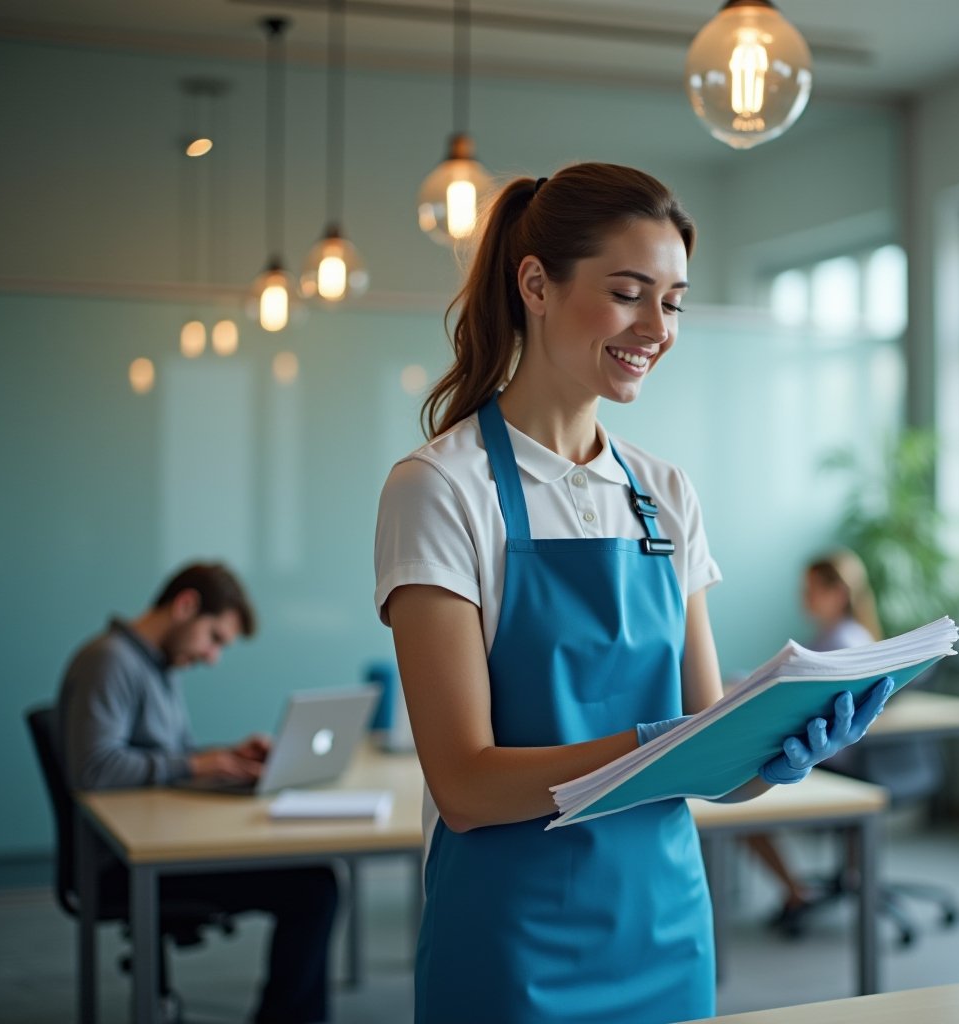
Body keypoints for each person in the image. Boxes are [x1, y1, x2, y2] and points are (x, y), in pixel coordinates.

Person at [372, 163, 891, 1024]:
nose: (657, 328)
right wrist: (662, 748)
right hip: (512, 944)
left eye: (675, 302)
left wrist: (773, 750)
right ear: (536, 283)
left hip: (666, 926)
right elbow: (465, 785)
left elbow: (710, 754)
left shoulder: (666, 493)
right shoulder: (440, 488)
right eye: (628, 294)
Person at [55, 561, 338, 1024]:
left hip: (160, 840)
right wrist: (196, 763)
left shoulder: (156, 665)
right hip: (128, 860)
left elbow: (162, 754)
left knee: (315, 879)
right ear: (185, 606)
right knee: (314, 887)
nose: (212, 657)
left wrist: (225, 756)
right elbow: (94, 769)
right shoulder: (109, 660)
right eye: (214, 638)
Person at [747, 550, 883, 934]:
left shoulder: (841, 641)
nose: (803, 598)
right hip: (847, 757)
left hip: (833, 760)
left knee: (739, 793)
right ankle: (816, 883)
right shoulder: (844, 636)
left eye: (811, 590)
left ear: (838, 592)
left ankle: (794, 890)